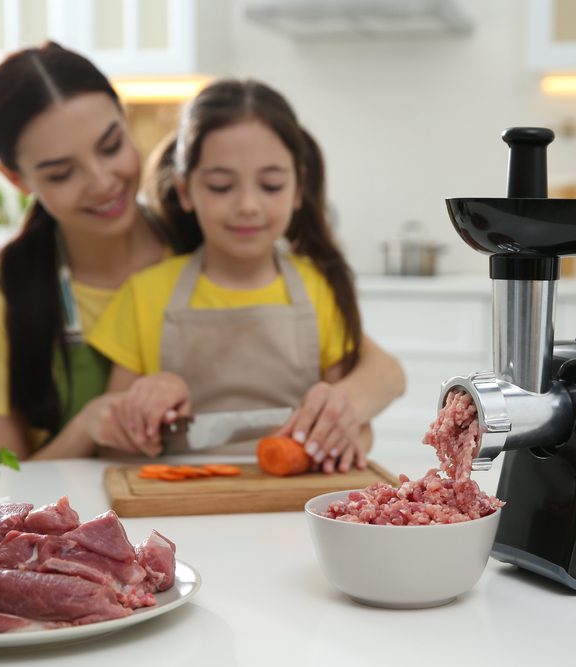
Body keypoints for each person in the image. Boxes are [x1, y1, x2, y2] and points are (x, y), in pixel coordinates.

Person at [0, 44, 404, 463]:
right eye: (62, 173)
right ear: (17, 180)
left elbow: (381, 372)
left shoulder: (212, 241)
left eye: (112, 145)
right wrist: (92, 422)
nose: (102, 181)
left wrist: (343, 419)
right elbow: (2, 490)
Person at [88, 79, 405, 473]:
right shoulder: (145, 294)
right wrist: (138, 412)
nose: (248, 206)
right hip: (174, 507)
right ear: (185, 191)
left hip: (291, 509)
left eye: (271, 185)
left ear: (297, 189)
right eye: (221, 186)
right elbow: (112, 451)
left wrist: (348, 432)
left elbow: (347, 421)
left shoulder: (318, 289)